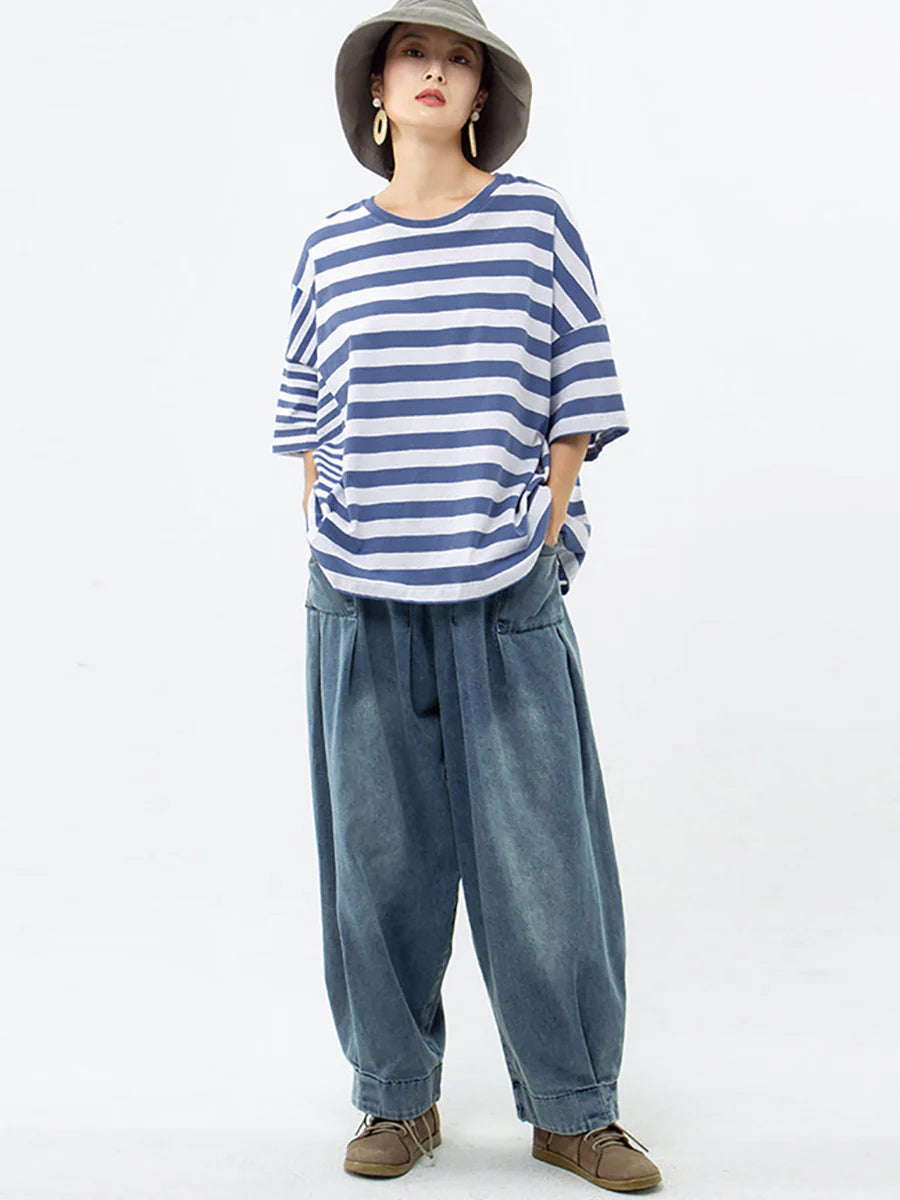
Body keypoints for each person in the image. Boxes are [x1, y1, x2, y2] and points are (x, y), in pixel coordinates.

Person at [272, 0, 663, 1191]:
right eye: (412, 55)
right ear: (376, 90)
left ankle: (576, 1110)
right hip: (359, 590)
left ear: (484, 92)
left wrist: (544, 529)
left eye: (458, 58)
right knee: (376, 863)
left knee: (544, 862)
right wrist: (326, 526)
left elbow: (578, 391)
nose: (435, 71)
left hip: (503, 589)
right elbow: (306, 407)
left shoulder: (535, 223)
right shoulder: (330, 246)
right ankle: (396, 1101)